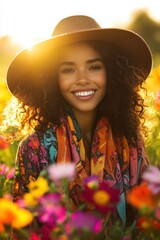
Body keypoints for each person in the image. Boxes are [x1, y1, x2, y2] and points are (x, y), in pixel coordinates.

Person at [6, 15, 152, 237]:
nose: (82, 79)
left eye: (94, 67)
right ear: (51, 79)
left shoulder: (130, 141)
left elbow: (146, 219)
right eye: (68, 70)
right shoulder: (34, 148)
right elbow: (25, 228)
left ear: (111, 73)